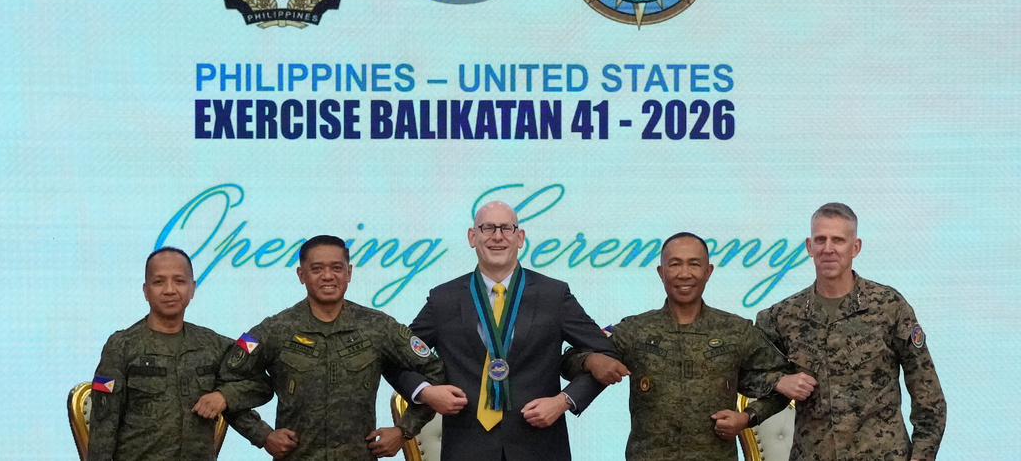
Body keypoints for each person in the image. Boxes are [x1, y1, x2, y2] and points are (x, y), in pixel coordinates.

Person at [390, 200, 619, 461]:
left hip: (540, 446)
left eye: (506, 228)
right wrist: (427, 392)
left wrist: (563, 400)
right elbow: (396, 357)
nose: (497, 236)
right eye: (487, 228)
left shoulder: (553, 295)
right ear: (472, 237)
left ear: (520, 238)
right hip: (466, 449)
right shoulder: (444, 300)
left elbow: (606, 352)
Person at [565, 232, 798, 461]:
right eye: (675, 264)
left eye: (694, 264)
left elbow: (785, 383)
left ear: (708, 271)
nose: (684, 274)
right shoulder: (634, 330)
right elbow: (568, 360)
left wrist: (747, 418)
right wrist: (591, 361)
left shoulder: (736, 330)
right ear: (661, 272)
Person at [215, 234, 451, 460]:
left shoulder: (379, 326)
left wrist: (404, 430)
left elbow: (434, 370)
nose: (327, 276)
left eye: (337, 268)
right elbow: (226, 377)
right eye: (317, 269)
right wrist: (262, 435)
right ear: (301, 274)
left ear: (349, 273)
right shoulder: (273, 329)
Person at [755, 203, 947, 461]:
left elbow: (928, 393)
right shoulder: (782, 316)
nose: (828, 249)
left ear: (855, 247)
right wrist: (779, 381)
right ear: (809, 247)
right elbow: (749, 374)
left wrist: (922, 456)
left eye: (838, 240)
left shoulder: (889, 306)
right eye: (820, 240)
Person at [88, 247, 265, 460]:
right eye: (159, 282)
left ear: (192, 289)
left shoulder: (213, 345)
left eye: (179, 281)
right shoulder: (121, 346)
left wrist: (225, 396)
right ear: (145, 291)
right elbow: (103, 426)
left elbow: (260, 382)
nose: (169, 290)